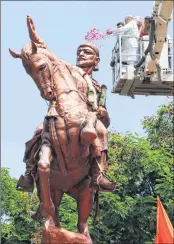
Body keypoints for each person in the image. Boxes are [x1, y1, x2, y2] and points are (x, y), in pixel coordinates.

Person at [17, 42, 115, 195]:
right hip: (62, 115)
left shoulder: (99, 88)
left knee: (102, 131)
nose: (81, 54)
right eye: (79, 52)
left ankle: (98, 175)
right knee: (39, 130)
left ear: (96, 61)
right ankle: (29, 173)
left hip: (89, 121)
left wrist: (104, 113)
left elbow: (106, 120)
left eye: (86, 52)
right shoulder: (66, 73)